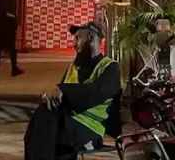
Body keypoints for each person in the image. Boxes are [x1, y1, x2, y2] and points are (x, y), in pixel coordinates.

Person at [24, 21, 122, 160]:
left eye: (78, 38)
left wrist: (63, 90)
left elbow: (96, 92)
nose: (74, 43)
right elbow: (62, 96)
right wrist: (51, 100)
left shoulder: (110, 67)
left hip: (91, 127)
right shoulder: (74, 67)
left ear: (91, 37)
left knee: (53, 134)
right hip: (69, 120)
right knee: (42, 118)